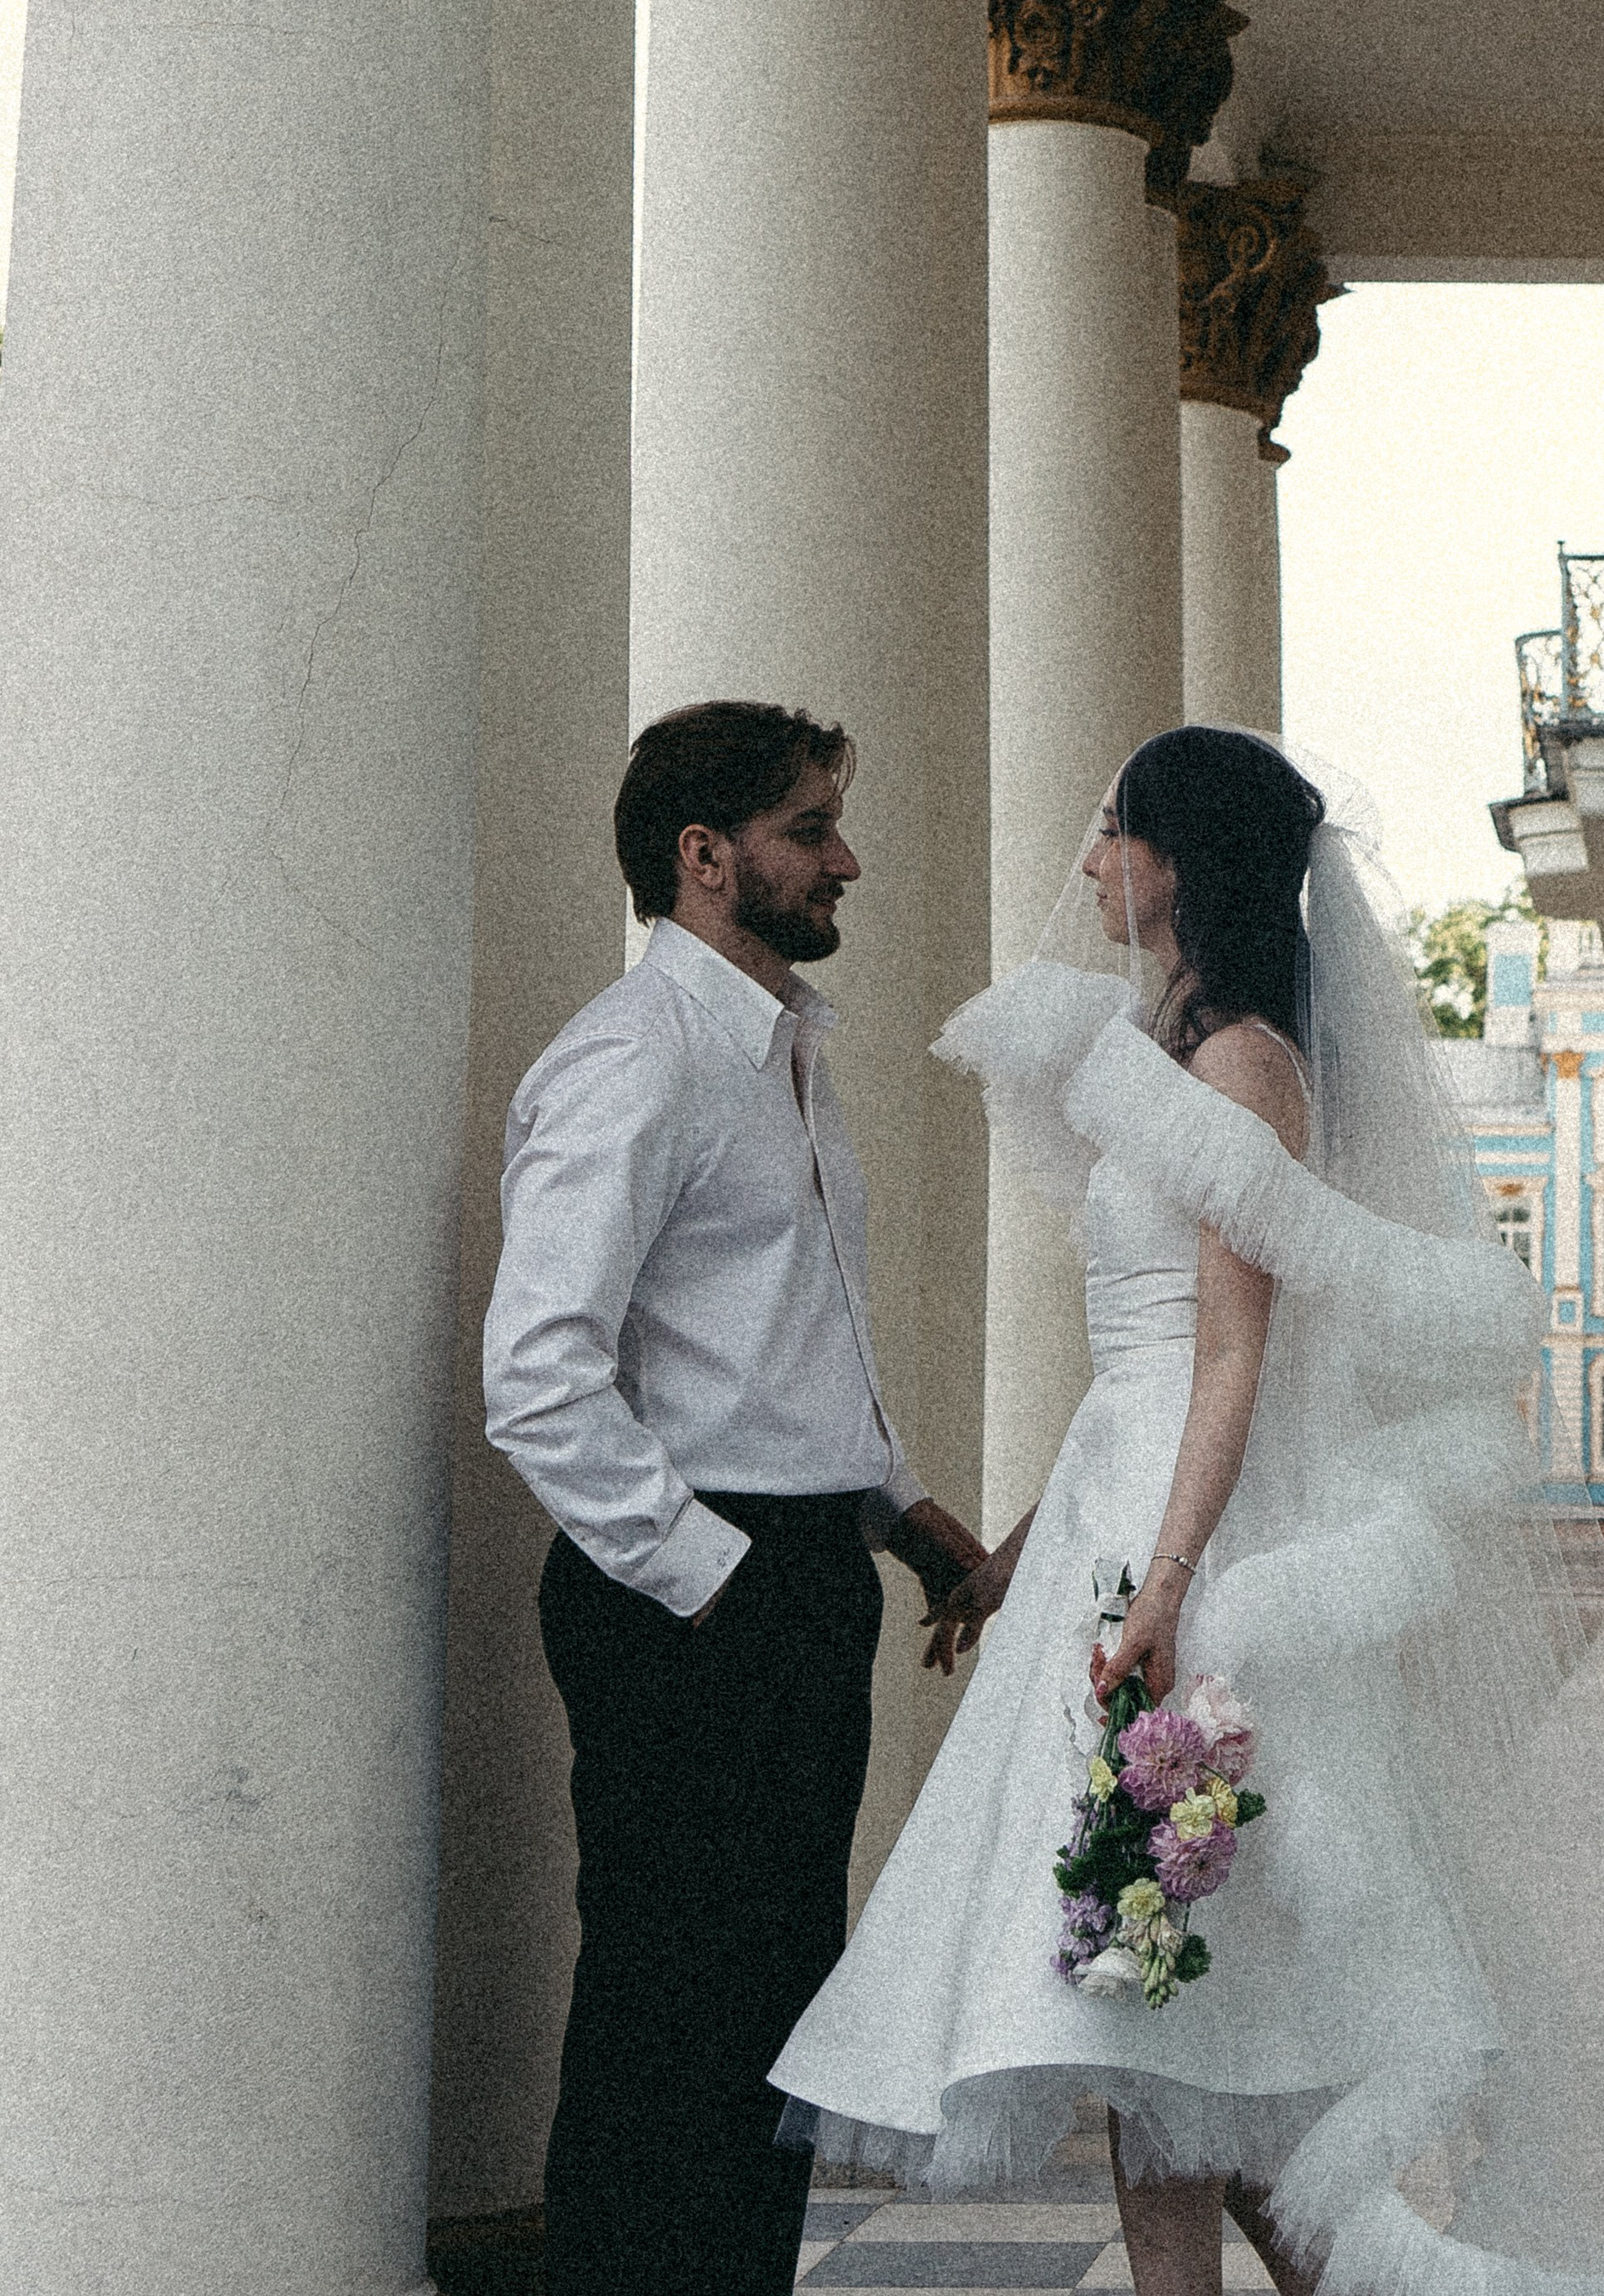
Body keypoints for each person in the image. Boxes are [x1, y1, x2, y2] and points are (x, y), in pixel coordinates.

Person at [772, 726, 1604, 2296]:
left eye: (1113, 831)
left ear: (1179, 863)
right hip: (1124, 1519)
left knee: (1182, 2001)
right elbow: (1136, 1370)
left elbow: (1234, 1352)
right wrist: (1025, 1555)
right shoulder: (1170, 1053)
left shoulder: (1241, 1060)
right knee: (1141, 2007)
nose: (1086, 863)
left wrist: (1165, 1587)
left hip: (1195, 1546)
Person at [483, 698, 986, 2296]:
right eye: (810, 828)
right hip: (689, 1590)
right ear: (705, 859)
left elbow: (783, 1346)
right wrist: (716, 1578)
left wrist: (907, 1520)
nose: (849, 860)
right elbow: (541, 1371)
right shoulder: (637, 1060)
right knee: (666, 2015)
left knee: (773, 2016)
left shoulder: (785, 1048)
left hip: (790, 1569)